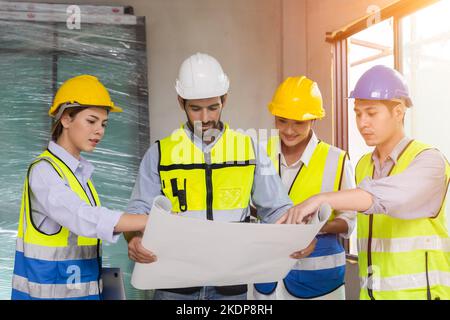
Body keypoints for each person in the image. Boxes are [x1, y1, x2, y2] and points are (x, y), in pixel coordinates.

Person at [124, 53, 316, 300]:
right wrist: (135, 239)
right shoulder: (160, 153)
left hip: (230, 283)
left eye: (213, 107)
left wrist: (298, 237)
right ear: (181, 102)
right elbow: (138, 210)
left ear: (224, 99)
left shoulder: (250, 150)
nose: (205, 118)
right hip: (174, 282)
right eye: (196, 108)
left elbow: (276, 209)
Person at [280, 65, 450, 300]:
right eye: (358, 113)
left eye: (371, 113)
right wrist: (310, 223)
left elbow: (384, 197)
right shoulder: (363, 165)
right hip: (372, 295)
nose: (362, 123)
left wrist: (319, 198)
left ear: (399, 112)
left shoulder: (430, 161)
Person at [11, 75, 149, 300]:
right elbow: (83, 217)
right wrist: (148, 220)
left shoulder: (80, 175)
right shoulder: (44, 171)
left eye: (104, 124)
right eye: (91, 121)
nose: (100, 131)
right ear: (66, 119)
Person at [253, 76, 356, 300]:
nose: (289, 130)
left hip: (318, 281)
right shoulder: (259, 153)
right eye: (282, 121)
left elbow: (348, 221)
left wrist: (312, 228)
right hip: (267, 277)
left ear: (314, 120)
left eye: (298, 122)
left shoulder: (336, 159)